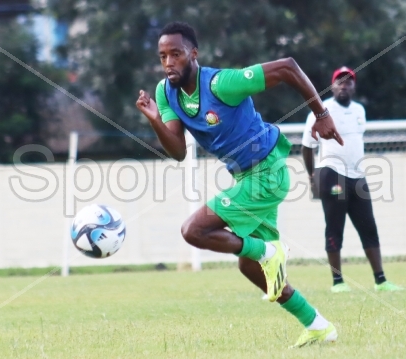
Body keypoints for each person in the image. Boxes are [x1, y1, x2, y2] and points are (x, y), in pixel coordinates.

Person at [136, 21, 343, 348]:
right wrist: (155, 120)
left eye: (176, 54)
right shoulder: (166, 92)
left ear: (193, 53)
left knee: (194, 231)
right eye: (163, 56)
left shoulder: (221, 84)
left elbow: (288, 67)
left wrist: (321, 114)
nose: (168, 63)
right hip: (247, 177)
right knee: (251, 267)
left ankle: (269, 250)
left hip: (268, 171)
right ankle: (317, 325)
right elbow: (176, 150)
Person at [302, 66, 403, 293]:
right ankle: (338, 282)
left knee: (369, 227)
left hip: (358, 176)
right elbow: (307, 147)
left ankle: (381, 280)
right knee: (335, 227)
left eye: (348, 82)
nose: (344, 85)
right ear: (333, 85)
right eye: (340, 81)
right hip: (331, 173)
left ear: (354, 87)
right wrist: (311, 176)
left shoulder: (359, 110)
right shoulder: (321, 110)